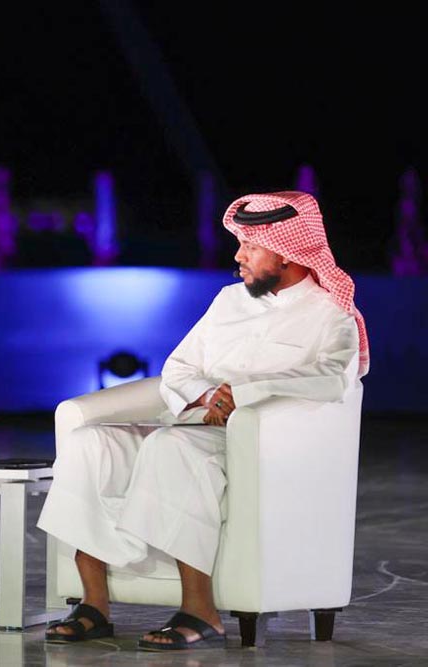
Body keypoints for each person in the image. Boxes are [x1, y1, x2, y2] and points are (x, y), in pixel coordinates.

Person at [38, 191, 368, 650]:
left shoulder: (330, 316)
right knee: (89, 442)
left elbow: (334, 380)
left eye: (250, 246)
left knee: (170, 449)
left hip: (259, 444)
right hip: (191, 423)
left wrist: (244, 395)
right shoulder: (228, 302)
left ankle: (201, 611)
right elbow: (177, 369)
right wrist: (209, 395)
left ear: (288, 253)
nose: (239, 256)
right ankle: (94, 605)